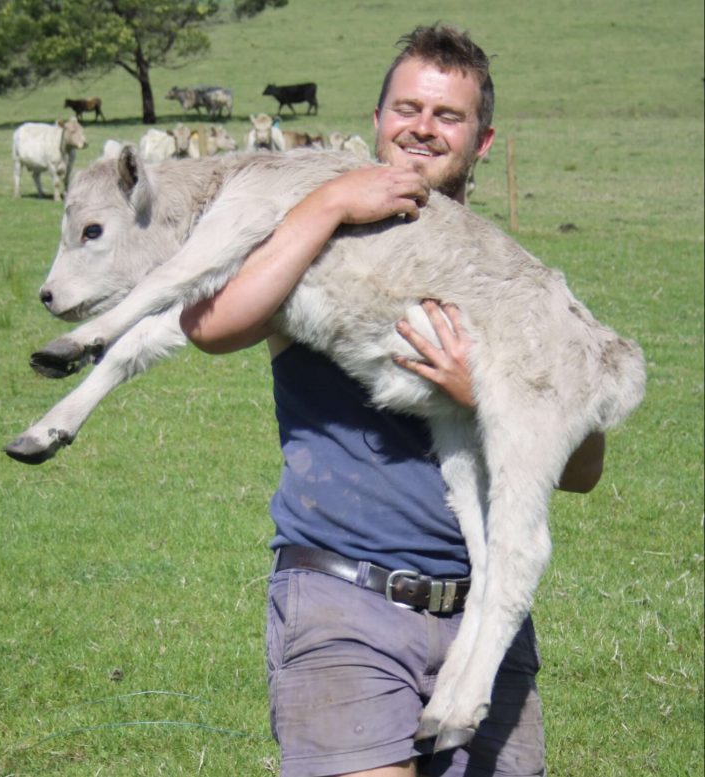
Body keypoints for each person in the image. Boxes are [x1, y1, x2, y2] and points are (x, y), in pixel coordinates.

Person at [180, 22, 605, 777]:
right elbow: (210, 326)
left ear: (483, 140)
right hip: (346, 602)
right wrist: (326, 207)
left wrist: (484, 393)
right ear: (376, 121)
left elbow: (584, 468)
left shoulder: (511, 278)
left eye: (448, 116)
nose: (422, 128)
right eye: (406, 108)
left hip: (484, 624)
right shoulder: (315, 240)